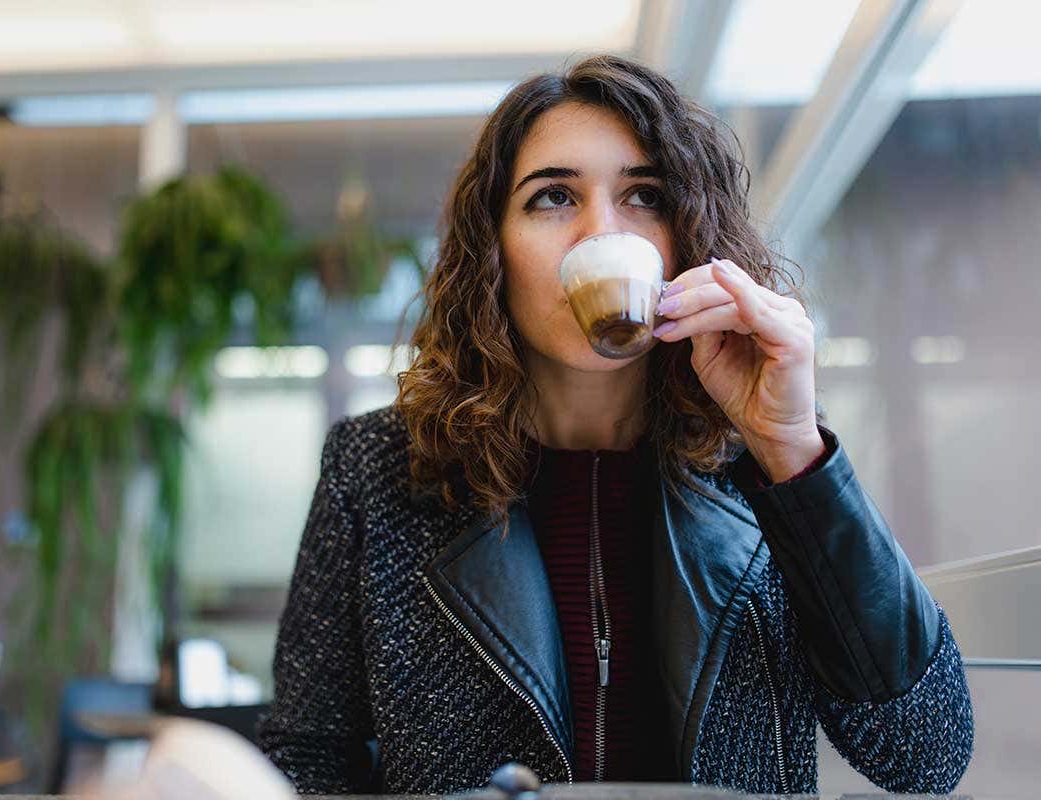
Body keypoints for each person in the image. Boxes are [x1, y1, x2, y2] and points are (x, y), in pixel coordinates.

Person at [258, 54, 973, 795]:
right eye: (554, 198)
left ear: (689, 240)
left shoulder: (760, 458)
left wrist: (792, 449)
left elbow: (925, 753)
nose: (601, 233)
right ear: (492, 248)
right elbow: (304, 760)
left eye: (645, 196)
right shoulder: (378, 468)